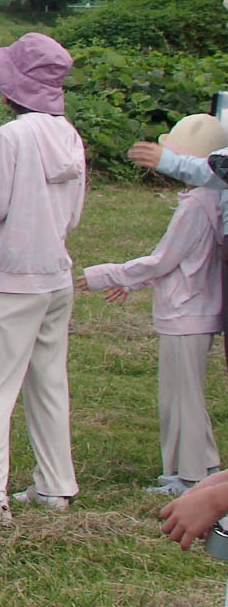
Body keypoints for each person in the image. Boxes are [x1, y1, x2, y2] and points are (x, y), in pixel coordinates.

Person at [0, 32, 86, 521]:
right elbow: (70, 215)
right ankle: (55, 485)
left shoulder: (10, 137)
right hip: (56, 274)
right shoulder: (69, 135)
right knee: (49, 383)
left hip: (13, 278)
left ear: (11, 88)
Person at [86, 112, 226, 496]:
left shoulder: (197, 203)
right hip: (194, 309)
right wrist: (133, 281)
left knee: (183, 398)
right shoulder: (212, 198)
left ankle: (192, 476)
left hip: (186, 311)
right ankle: (197, 467)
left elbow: (165, 259)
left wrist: (109, 275)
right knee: (184, 395)